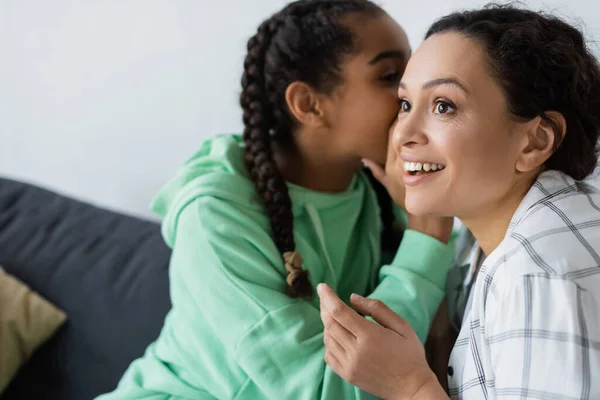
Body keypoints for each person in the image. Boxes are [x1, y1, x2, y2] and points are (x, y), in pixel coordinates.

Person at [97, 1, 457, 399]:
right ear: (308, 104)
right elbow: (325, 392)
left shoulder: (381, 184)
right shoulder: (213, 216)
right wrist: (427, 237)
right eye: (390, 76)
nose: (409, 93)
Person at [318, 4, 600, 400]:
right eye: (405, 104)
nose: (403, 135)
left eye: (443, 106)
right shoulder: (492, 236)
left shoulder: (538, 279)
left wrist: (409, 386)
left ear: (535, 141)